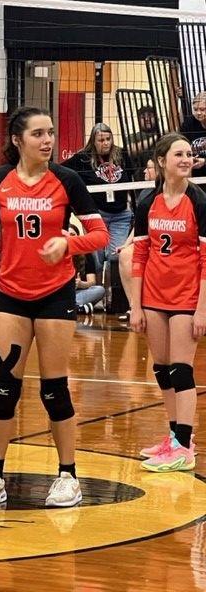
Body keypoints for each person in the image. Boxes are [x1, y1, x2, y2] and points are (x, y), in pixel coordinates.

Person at [0, 106, 109, 507]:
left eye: (51, 132)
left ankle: (68, 477)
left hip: (55, 294)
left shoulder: (67, 180)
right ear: (18, 140)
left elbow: (100, 234)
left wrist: (67, 244)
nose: (47, 140)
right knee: (4, 388)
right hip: (10, 295)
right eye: (38, 133)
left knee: (54, 390)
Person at [130, 132, 204, 472]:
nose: (187, 159)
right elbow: (139, 255)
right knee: (162, 371)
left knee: (181, 370)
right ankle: (175, 437)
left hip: (187, 296)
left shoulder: (199, 201)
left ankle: (185, 447)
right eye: (179, 154)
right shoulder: (147, 202)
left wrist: (202, 308)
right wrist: (136, 304)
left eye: (189, 154)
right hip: (154, 296)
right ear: (162, 161)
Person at [62, 123, 133, 281]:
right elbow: (62, 171)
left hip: (121, 214)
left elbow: (133, 177)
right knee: (97, 259)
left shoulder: (121, 154)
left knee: (116, 256)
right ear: (93, 141)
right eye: (101, 140)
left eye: (108, 139)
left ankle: (114, 295)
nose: (106, 143)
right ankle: (99, 292)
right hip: (97, 215)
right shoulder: (83, 158)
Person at [117, 156, 157, 321]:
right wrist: (126, 244)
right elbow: (139, 226)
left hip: (163, 242)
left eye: (149, 168)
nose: (145, 171)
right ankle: (134, 306)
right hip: (146, 239)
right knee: (125, 255)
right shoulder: (145, 192)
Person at [69, 224, 105, 315]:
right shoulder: (57, 254)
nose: (70, 238)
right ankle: (75, 307)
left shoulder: (86, 254)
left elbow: (92, 282)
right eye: (67, 235)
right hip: (61, 294)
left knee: (100, 290)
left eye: (73, 235)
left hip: (78, 292)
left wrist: (81, 284)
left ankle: (71, 307)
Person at [180, 91, 206, 178]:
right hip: (194, 175)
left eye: (202, 109)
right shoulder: (189, 123)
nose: (198, 113)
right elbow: (181, 145)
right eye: (195, 109)